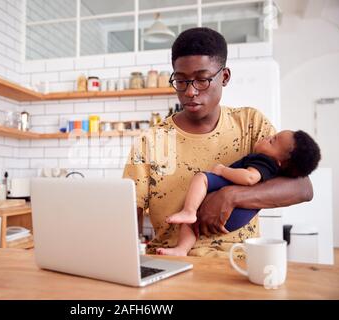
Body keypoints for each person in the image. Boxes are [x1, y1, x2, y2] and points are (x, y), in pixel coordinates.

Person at [122, 27, 315, 258]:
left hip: (239, 265)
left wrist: (231, 196)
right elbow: (128, 211)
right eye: (181, 81)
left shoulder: (251, 124)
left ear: (224, 77)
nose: (190, 92)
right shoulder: (150, 141)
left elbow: (303, 188)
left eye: (202, 80)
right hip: (169, 262)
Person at [157, 130, 321, 256]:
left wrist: (222, 171)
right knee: (191, 225)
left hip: (234, 209)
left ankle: (189, 210)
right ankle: (182, 249)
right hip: (238, 218)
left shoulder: (264, 161)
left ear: (279, 161)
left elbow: (250, 177)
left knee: (202, 178)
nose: (267, 136)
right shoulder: (274, 163)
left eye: (271, 140)